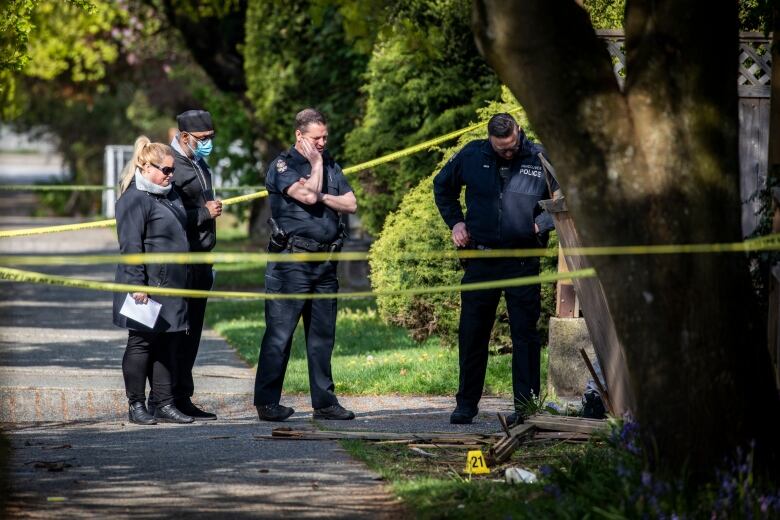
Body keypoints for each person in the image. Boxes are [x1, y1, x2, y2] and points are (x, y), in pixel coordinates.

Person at [433, 113, 560, 425]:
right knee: (473, 333)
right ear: (490, 139)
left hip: (522, 260)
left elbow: (566, 196)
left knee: (525, 336)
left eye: (511, 145)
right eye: (501, 147)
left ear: (518, 132)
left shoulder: (540, 156)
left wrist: (541, 223)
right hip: (481, 260)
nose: (508, 151)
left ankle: (526, 407)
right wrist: (456, 222)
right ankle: (465, 404)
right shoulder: (471, 154)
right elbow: (442, 186)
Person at [254, 108, 357, 422]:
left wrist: (323, 190)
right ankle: (267, 403)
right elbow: (308, 197)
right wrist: (316, 170)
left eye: (325, 136)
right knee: (280, 335)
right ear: (300, 136)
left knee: (322, 336)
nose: (322, 142)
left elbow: (351, 203)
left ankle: (325, 403)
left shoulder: (331, 163)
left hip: (325, 262)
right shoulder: (283, 165)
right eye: (317, 137)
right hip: (292, 263)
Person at [113, 136, 194, 425]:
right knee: (141, 345)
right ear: (145, 166)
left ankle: (163, 402)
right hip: (145, 286)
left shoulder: (169, 194)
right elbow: (130, 246)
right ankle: (136, 405)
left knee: (169, 345)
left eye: (173, 171)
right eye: (165, 170)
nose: (170, 176)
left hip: (172, 286)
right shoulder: (134, 198)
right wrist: (138, 285)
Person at [153, 109, 222, 421]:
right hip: (180, 263)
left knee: (192, 333)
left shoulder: (197, 161)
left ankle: (183, 396)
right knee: (174, 333)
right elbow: (168, 216)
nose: (208, 144)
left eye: (210, 138)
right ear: (184, 137)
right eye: (203, 139)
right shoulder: (172, 166)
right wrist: (205, 214)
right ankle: (163, 399)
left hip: (201, 261)